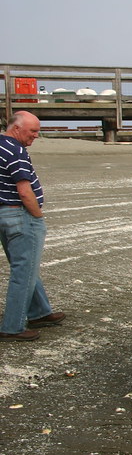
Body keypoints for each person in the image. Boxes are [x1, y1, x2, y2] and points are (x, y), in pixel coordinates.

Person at [0, 111, 65, 341]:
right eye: (33, 131)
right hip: (20, 215)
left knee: (25, 266)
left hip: (5, 215)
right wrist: (37, 216)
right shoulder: (16, 150)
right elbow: (24, 190)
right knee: (23, 271)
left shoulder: (1, 146)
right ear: (16, 128)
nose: (36, 135)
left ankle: (39, 311)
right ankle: (12, 326)